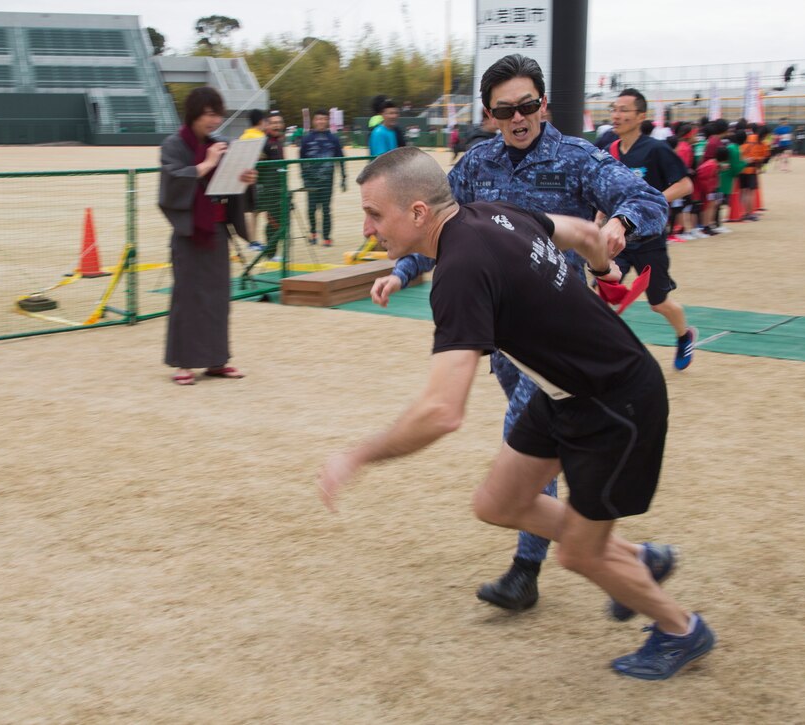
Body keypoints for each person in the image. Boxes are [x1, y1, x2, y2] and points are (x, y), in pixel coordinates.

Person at [321, 147, 715, 681]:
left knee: (579, 555)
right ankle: (639, 559)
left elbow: (441, 411)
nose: (368, 229)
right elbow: (582, 233)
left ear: (417, 213)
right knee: (498, 501)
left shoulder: (458, 272)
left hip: (615, 403)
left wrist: (357, 455)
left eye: (374, 214)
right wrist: (604, 272)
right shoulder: (490, 212)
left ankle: (680, 630)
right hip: (561, 393)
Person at [370, 54, 670, 613]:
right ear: (488, 114)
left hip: (561, 336)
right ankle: (631, 560)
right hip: (508, 341)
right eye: (505, 110)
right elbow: (433, 223)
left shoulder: (578, 158)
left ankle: (529, 570)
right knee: (543, 455)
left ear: (544, 105)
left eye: (527, 106)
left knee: (525, 449)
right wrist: (402, 269)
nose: (518, 118)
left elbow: (647, 200)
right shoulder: (476, 163)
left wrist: (618, 224)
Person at [158, 86, 257, 386]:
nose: (214, 121)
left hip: (216, 231)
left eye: (217, 115)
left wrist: (246, 180)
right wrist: (206, 164)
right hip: (189, 233)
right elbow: (171, 183)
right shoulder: (173, 145)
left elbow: (228, 188)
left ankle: (217, 360)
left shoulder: (221, 143)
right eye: (208, 115)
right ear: (194, 114)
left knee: (217, 298)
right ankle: (184, 363)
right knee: (187, 298)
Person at [607, 88, 697, 355]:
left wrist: (653, 200)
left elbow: (685, 185)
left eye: (624, 110)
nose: (616, 115)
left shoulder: (656, 149)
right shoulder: (608, 149)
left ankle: (684, 336)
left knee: (658, 303)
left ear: (640, 116)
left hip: (650, 241)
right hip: (618, 240)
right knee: (601, 296)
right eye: (614, 109)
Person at [298, 109, 346, 247]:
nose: (321, 122)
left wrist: (343, 177)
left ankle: (326, 236)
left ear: (328, 121)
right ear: (314, 121)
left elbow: (340, 159)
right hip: (311, 181)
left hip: (327, 181)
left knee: (326, 209)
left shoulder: (334, 139)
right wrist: (304, 177)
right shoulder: (307, 139)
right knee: (311, 209)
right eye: (318, 119)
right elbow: (301, 160)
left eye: (324, 119)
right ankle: (313, 232)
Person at [252, 111, 286, 256]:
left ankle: (273, 251)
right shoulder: (264, 143)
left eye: (279, 122)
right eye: (273, 123)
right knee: (273, 221)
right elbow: (257, 165)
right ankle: (271, 254)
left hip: (280, 188)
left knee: (279, 220)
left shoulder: (278, 142)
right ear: (266, 125)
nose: (277, 125)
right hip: (268, 189)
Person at [239, 109, 268, 245]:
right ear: (261, 121)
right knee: (255, 211)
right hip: (256, 178)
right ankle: (253, 240)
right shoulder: (260, 138)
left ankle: (251, 239)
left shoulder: (243, 136)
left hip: (243, 177)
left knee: (248, 210)